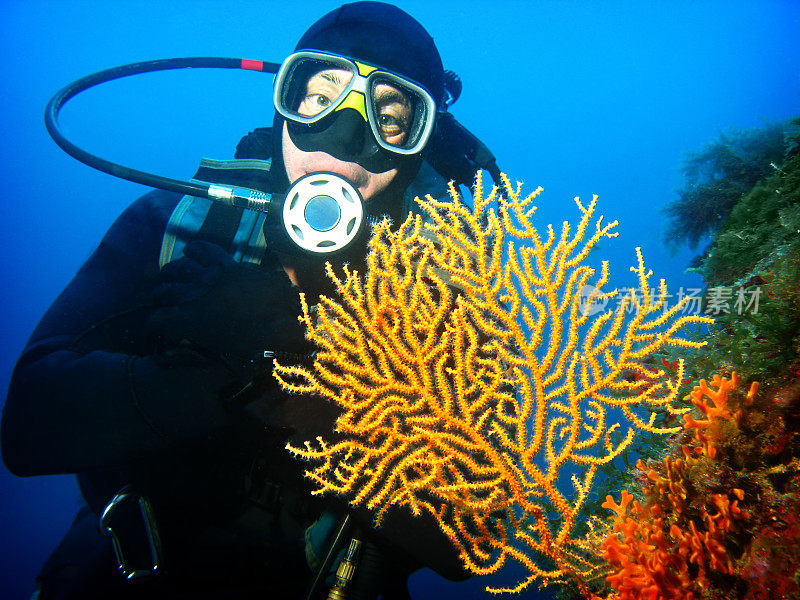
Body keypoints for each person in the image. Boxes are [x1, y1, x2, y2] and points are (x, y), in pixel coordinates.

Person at [1, 2, 485, 599]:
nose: (346, 137)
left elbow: (473, 540)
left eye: (390, 114)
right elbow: (27, 426)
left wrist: (293, 385)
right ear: (283, 103)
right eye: (321, 94)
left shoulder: (448, 294)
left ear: (420, 145)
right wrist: (209, 375)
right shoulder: (180, 227)